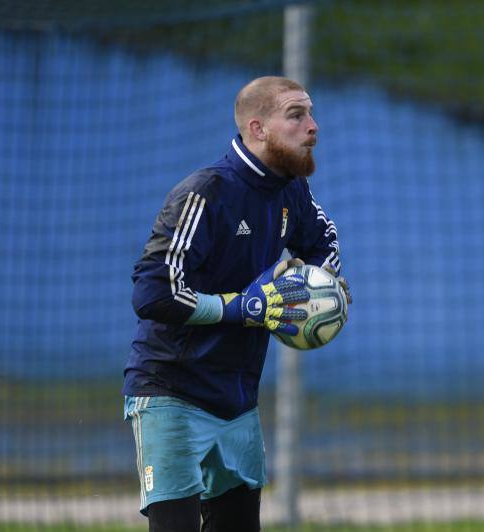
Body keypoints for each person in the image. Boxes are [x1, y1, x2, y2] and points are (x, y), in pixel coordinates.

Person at [123, 75, 349, 532]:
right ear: (257, 128)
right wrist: (240, 308)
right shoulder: (205, 193)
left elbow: (325, 243)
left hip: (238, 399)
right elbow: (152, 293)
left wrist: (319, 287)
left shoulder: (291, 190)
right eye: (296, 115)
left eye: (311, 113)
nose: (313, 127)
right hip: (171, 391)